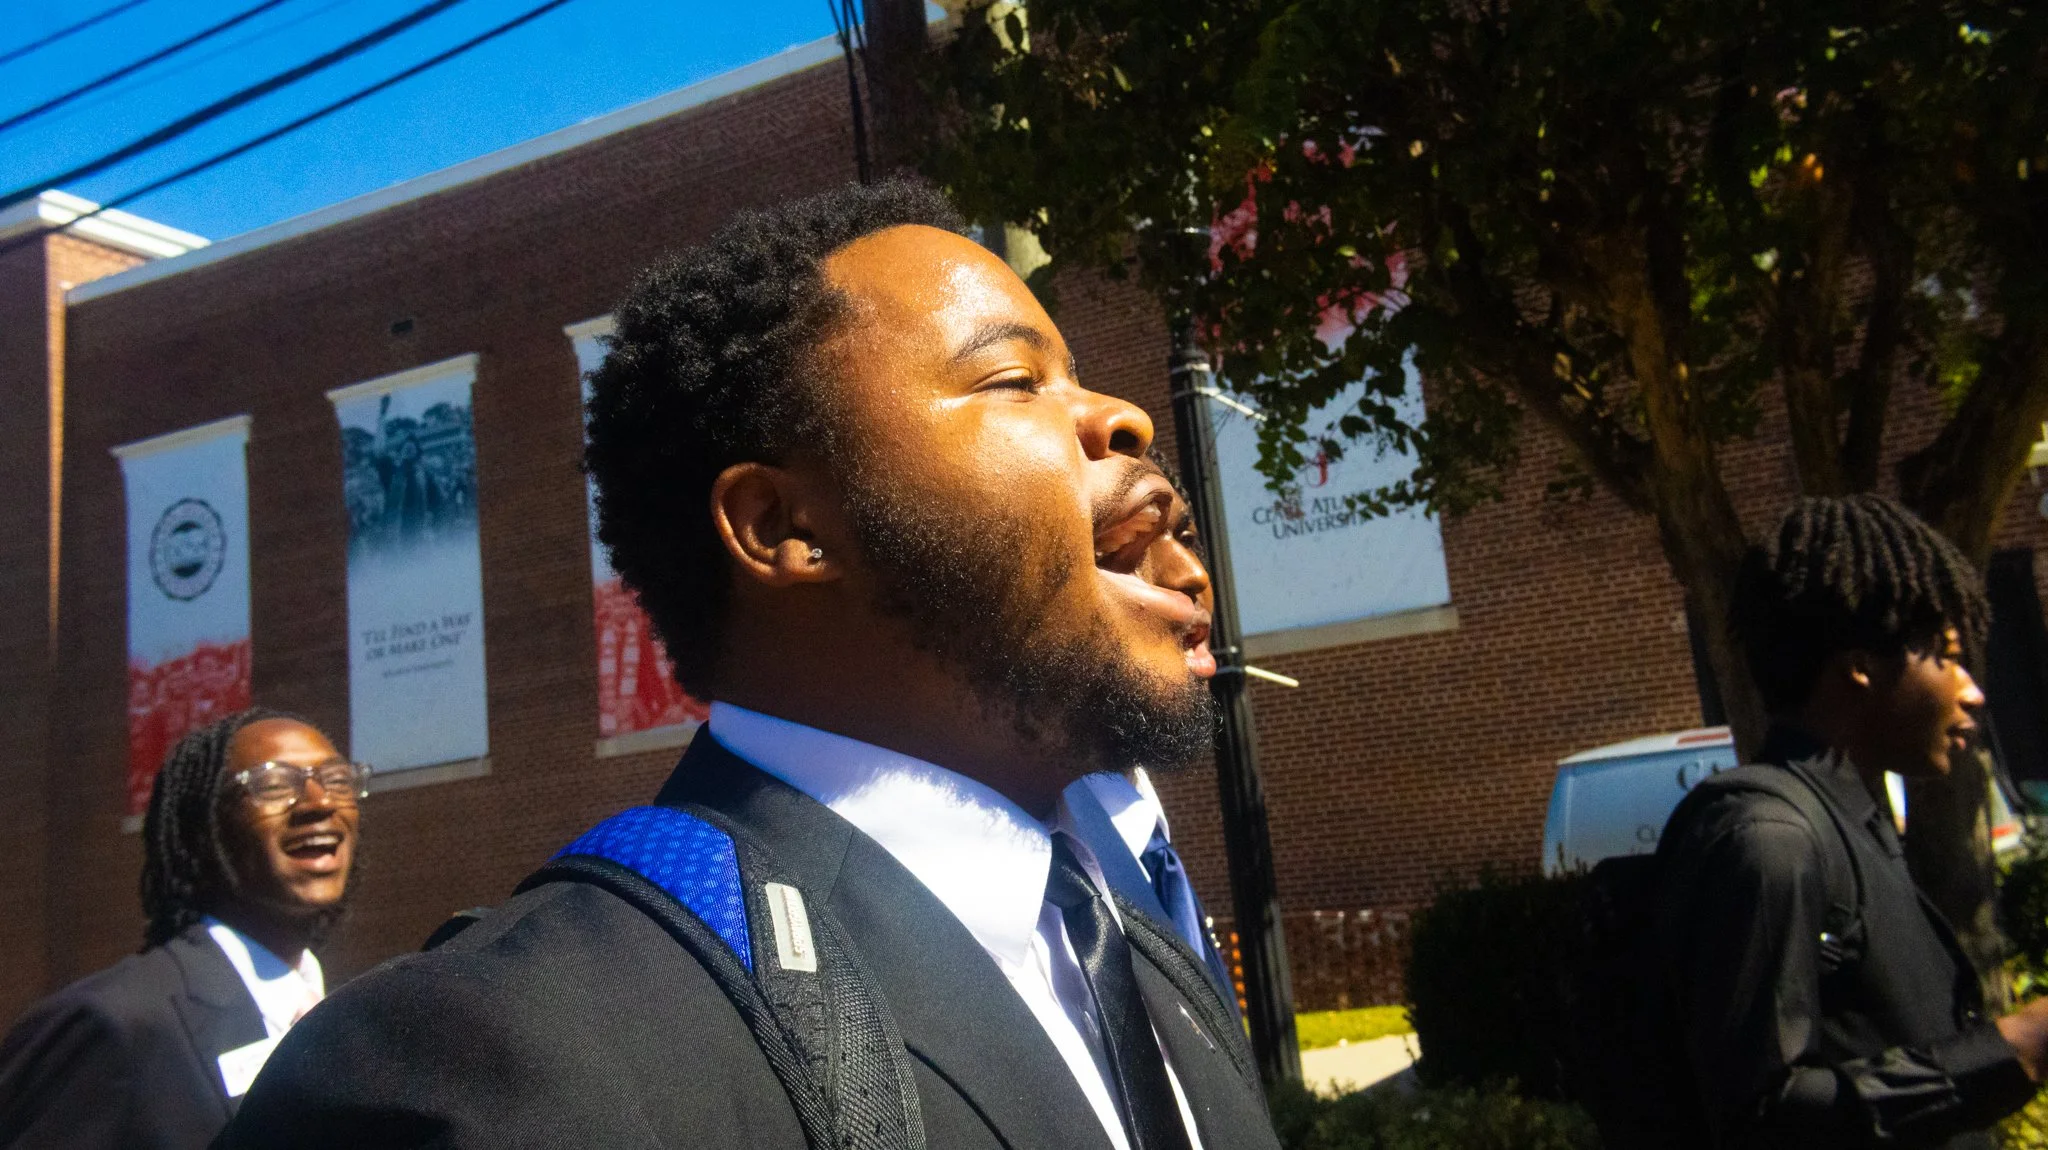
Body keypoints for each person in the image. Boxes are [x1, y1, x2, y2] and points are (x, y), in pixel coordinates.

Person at [220, 180, 1279, 1150]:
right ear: (783, 524)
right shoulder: (504, 1065)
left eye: (1079, 377)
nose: (1120, 417)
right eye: (1014, 379)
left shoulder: (1141, 947)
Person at [1656, 494, 2048, 1148]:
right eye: (1946, 656)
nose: (1973, 689)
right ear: (1860, 667)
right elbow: (1763, 1115)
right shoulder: (1769, 840)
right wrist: (2016, 1047)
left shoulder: (1852, 823)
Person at [0, 709, 365, 1149]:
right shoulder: (116, 1026)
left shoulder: (354, 1020)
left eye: (338, 780)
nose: (319, 803)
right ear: (202, 827)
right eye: (273, 784)